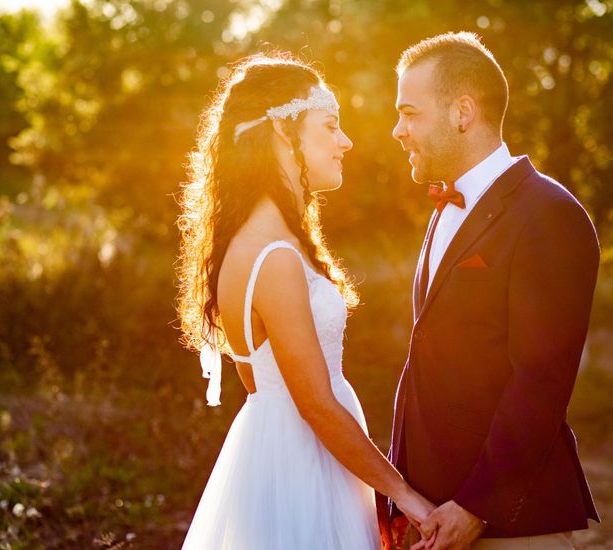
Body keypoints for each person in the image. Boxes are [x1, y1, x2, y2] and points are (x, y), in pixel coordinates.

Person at [175, 52, 434, 550]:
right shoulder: (275, 256)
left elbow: (260, 380)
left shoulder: (249, 245)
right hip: (303, 469)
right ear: (281, 133)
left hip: (281, 457)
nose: (346, 142)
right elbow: (315, 403)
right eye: (330, 126)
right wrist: (405, 495)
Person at [383, 32, 601, 550]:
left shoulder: (548, 213)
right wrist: (403, 496)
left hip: (509, 525)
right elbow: (427, 361)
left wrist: (479, 506)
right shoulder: (443, 214)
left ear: (463, 112)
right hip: (434, 517)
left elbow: (540, 381)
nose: (398, 131)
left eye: (410, 113)